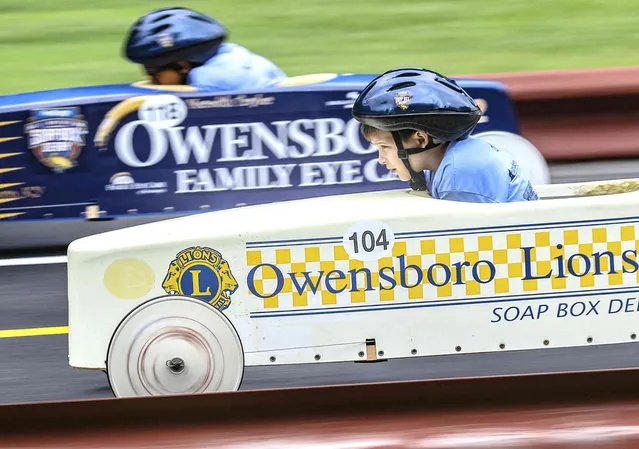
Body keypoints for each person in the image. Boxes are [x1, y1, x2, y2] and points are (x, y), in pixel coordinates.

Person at [351, 67, 539, 203]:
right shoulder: (450, 160)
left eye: (384, 147)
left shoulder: (459, 175)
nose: (381, 160)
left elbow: (467, 248)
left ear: (421, 139)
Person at [122, 7, 287, 91]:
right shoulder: (232, 52)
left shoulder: (207, 79)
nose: (152, 82)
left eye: (154, 74)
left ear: (182, 66)